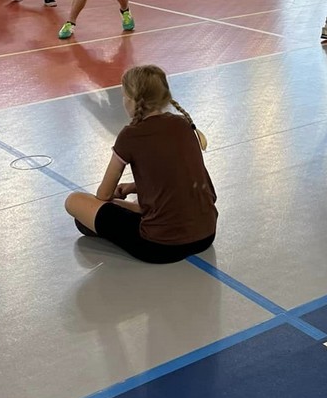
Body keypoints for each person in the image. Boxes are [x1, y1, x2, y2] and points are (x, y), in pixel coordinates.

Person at [64, 64, 216, 264]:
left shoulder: (130, 135)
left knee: (75, 201)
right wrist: (133, 187)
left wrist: (109, 201)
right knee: (124, 205)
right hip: (206, 235)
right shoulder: (184, 124)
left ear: (130, 100)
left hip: (160, 246)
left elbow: (104, 195)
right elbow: (178, 178)